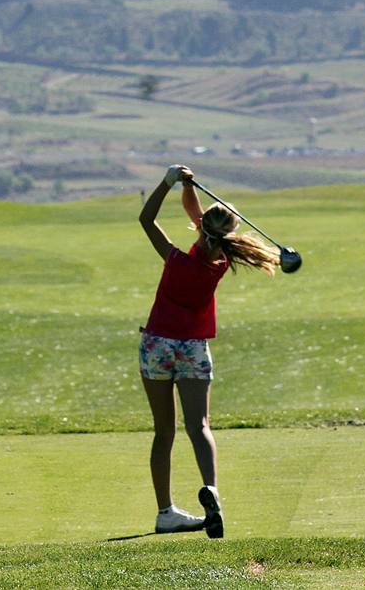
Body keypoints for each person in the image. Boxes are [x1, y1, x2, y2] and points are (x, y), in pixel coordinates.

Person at [137, 164, 279, 537]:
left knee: (163, 432)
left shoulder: (175, 259)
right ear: (228, 235)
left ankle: (165, 512)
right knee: (198, 426)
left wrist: (170, 182)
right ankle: (212, 490)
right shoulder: (222, 262)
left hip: (157, 346)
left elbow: (146, 219)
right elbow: (197, 215)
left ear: (201, 229)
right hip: (193, 351)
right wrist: (189, 189)